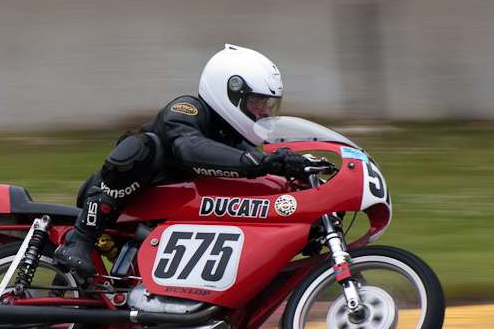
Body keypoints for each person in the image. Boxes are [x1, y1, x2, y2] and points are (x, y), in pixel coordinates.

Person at [54, 44, 310, 281]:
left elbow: (258, 169)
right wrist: (262, 162)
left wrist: (294, 173)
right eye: (257, 102)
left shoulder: (233, 140)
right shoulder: (186, 109)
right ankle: (79, 239)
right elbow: (190, 149)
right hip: (113, 199)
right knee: (146, 147)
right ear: (229, 94)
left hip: (161, 219)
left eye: (268, 104)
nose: (264, 112)